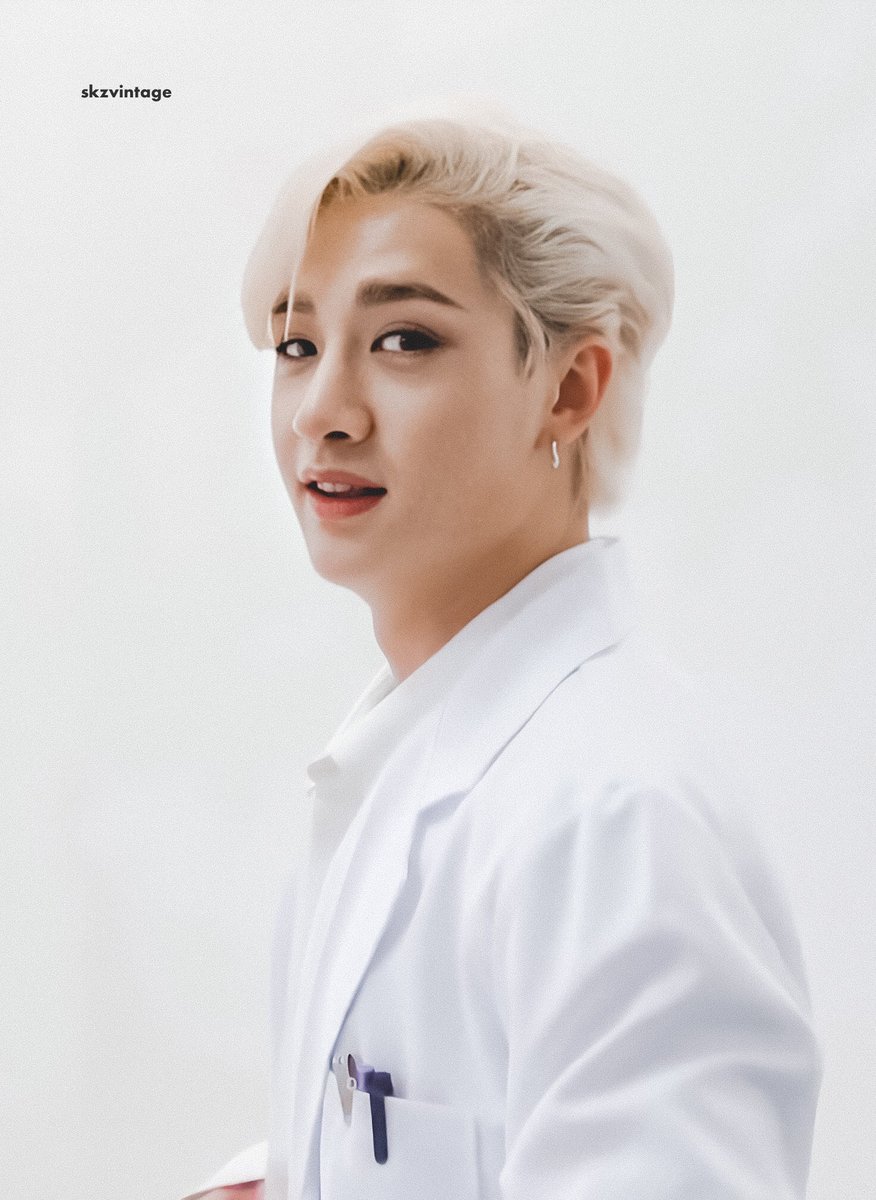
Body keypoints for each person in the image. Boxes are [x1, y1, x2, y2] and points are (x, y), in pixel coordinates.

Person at [182, 106, 821, 1200]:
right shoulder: (405, 764)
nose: (321, 412)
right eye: (297, 346)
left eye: (404, 340)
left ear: (569, 389)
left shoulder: (613, 819)